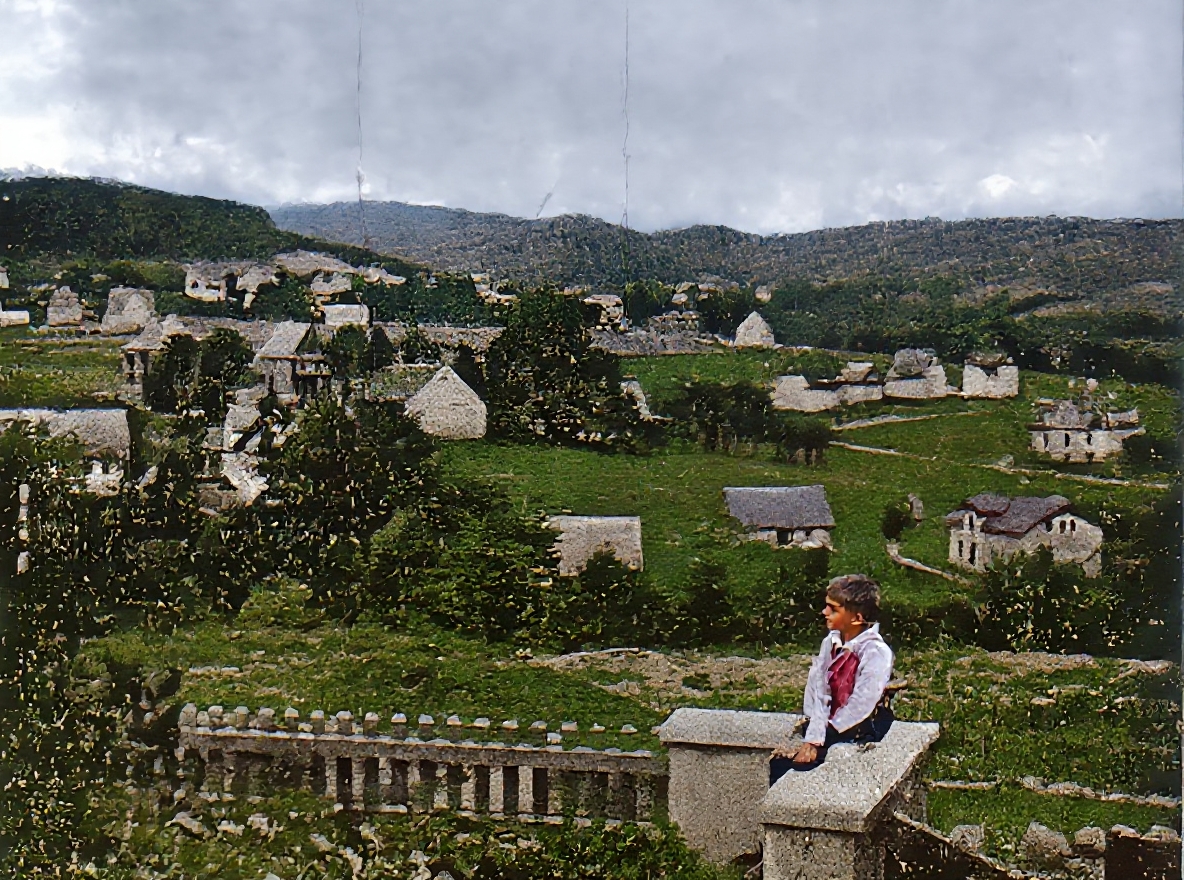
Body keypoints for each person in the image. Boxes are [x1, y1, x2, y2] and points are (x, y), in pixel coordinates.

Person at [770, 574, 895, 783]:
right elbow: (821, 691)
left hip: (857, 729)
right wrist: (814, 735)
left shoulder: (875, 651)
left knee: (807, 772)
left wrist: (823, 738)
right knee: (780, 765)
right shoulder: (831, 643)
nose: (824, 613)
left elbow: (861, 704)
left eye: (833, 609)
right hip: (827, 727)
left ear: (857, 618)